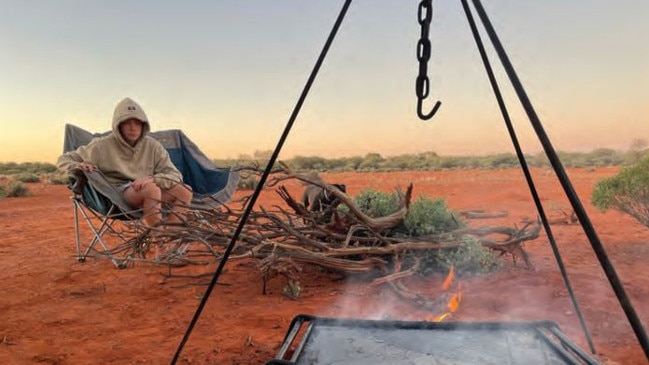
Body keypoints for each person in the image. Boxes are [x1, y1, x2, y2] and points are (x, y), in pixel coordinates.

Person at [57, 97, 193, 229]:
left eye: (138, 123)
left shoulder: (153, 146)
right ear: (118, 125)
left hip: (148, 193)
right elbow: (63, 159)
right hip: (116, 197)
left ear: (144, 125)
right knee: (151, 190)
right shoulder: (101, 145)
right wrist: (77, 166)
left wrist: (154, 179)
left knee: (185, 191)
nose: (133, 128)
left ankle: (172, 237)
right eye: (127, 122)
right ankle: (159, 239)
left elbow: (175, 175)